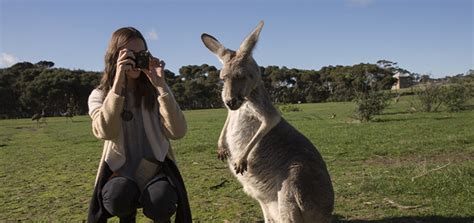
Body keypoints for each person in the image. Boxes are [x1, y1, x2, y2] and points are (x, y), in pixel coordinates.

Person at [87, 27, 192, 223]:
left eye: (141, 54)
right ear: (114, 58)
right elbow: (105, 132)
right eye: (129, 55)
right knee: (118, 196)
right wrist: (118, 84)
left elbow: (178, 132)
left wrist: (161, 87)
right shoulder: (100, 95)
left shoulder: (156, 91)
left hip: (154, 170)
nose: (135, 60)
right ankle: (127, 218)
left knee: (161, 200)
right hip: (121, 172)